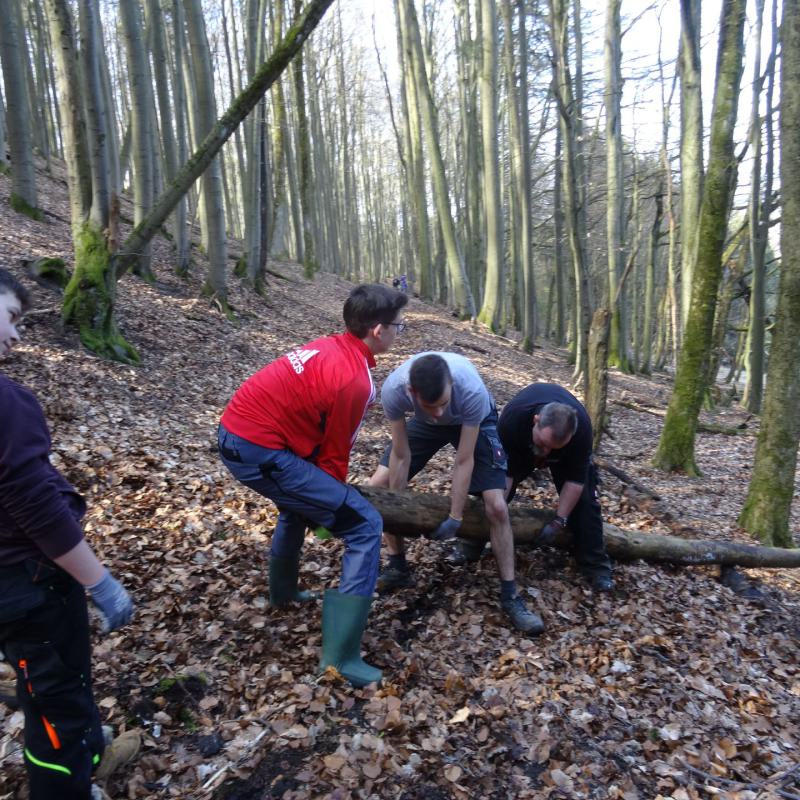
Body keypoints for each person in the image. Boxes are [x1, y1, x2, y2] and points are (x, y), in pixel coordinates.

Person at [218, 284, 408, 687]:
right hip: (256, 448)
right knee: (364, 525)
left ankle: (283, 593)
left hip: (242, 435)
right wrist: (333, 509)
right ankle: (340, 657)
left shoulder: (331, 345)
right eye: (398, 326)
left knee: (298, 501)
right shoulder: (354, 382)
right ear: (378, 330)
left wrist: (319, 500)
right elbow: (335, 455)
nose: (399, 332)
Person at [0, 269, 140, 800]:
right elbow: (34, 505)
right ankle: (65, 784)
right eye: (11, 318)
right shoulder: (7, 404)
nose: (17, 335)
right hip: (30, 585)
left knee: (48, 684)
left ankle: (84, 744)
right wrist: (100, 582)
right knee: (55, 700)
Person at [369, 352, 544, 634]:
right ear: (412, 392)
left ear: (451, 384)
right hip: (424, 427)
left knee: (497, 506)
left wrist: (455, 515)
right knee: (379, 486)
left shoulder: (470, 391)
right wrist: (396, 505)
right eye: (429, 405)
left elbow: (464, 460)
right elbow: (401, 456)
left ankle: (511, 595)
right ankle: (398, 565)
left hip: (474, 419)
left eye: (442, 404)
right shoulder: (393, 391)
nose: (438, 412)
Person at [488, 383, 614, 592]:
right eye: (544, 444)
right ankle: (471, 543)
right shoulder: (513, 419)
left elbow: (575, 482)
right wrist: (497, 508)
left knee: (586, 504)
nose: (545, 452)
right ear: (535, 421)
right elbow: (505, 476)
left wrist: (558, 521)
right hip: (521, 447)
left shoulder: (581, 430)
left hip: (563, 457)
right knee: (492, 493)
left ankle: (596, 567)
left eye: (552, 448)